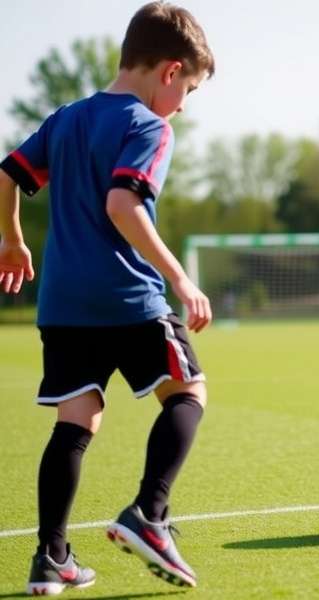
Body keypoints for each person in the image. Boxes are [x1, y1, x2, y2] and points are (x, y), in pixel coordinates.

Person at [0, 2, 215, 594]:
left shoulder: (66, 118)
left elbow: (7, 175)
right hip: (127, 299)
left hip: (63, 306)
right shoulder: (150, 126)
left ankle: (52, 559)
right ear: (170, 71)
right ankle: (150, 514)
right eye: (189, 89)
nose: (184, 105)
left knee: (76, 420)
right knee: (188, 392)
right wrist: (180, 278)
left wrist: (13, 242)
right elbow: (123, 205)